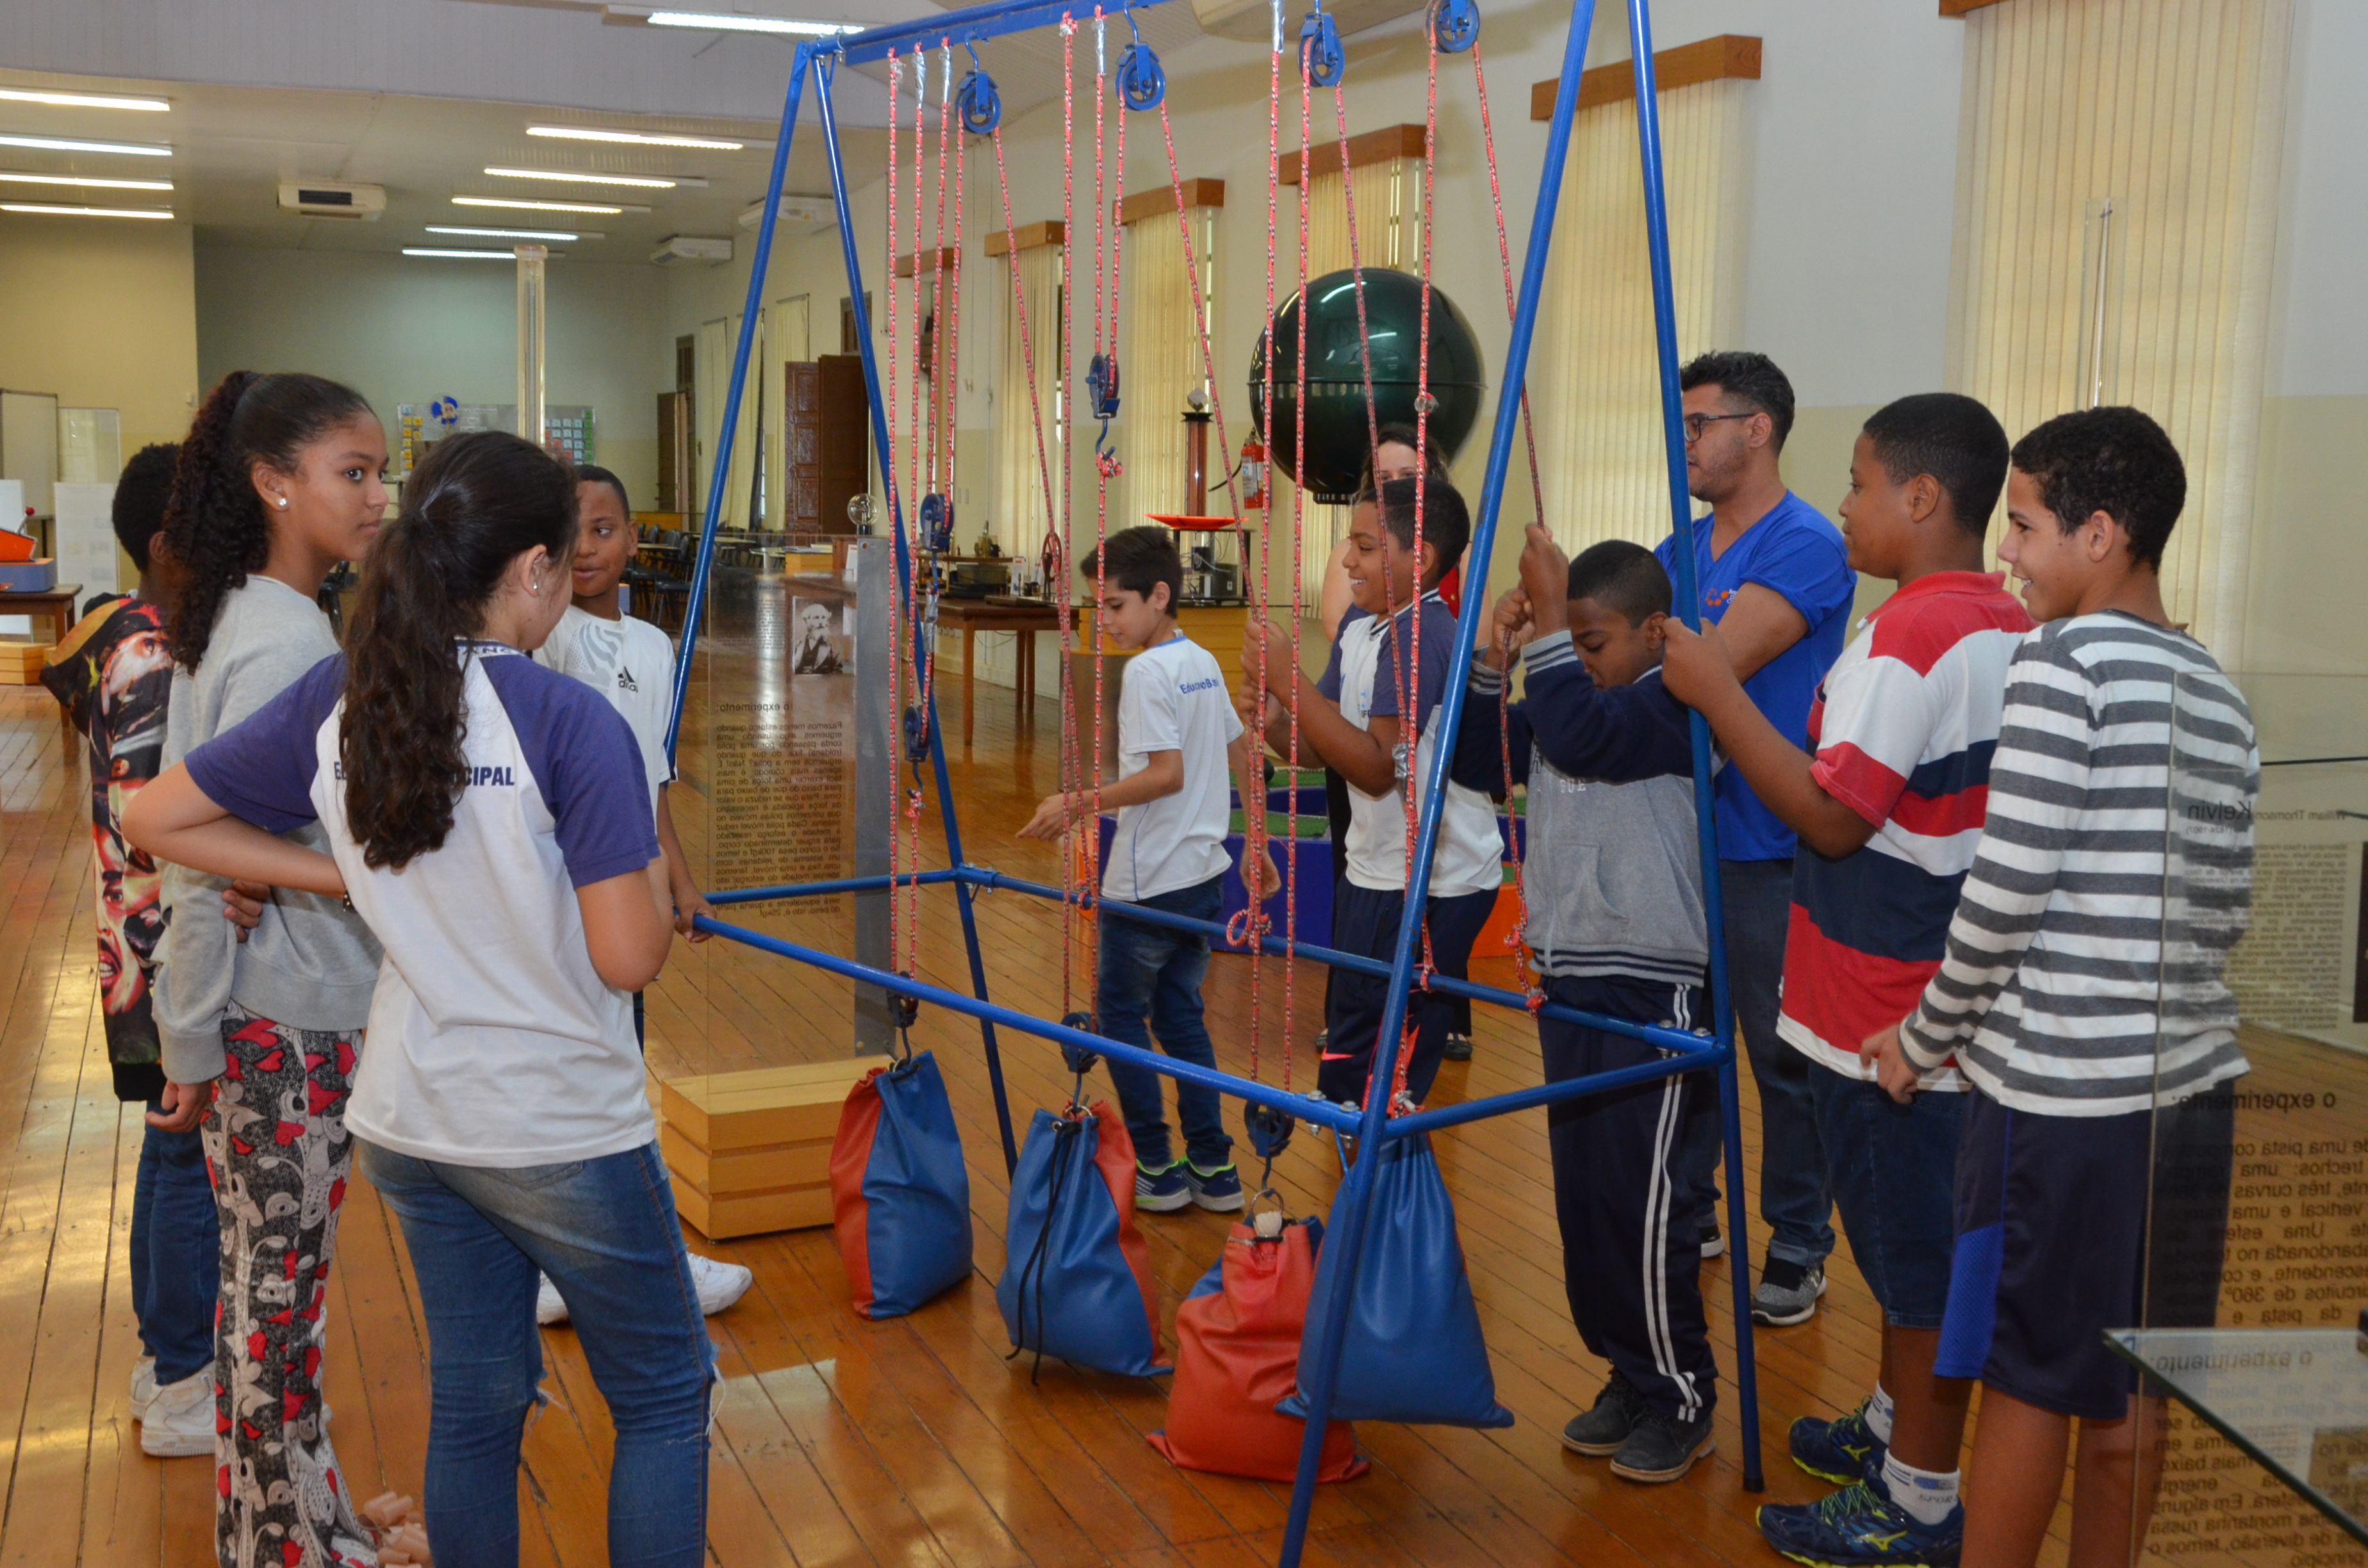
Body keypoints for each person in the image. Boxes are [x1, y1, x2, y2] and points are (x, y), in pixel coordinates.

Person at [126, 430, 715, 1568]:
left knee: (481, 1396)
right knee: (661, 1393)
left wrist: (334, 871)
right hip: (555, 1122)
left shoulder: (348, 691)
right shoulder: (566, 719)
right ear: (533, 568)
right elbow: (630, 958)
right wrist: (637, 852)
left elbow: (157, 816)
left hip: (411, 1115)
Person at [1864, 407, 2255, 1568]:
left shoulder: (2062, 660)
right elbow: (2223, 913)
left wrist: (1924, 1033)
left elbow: (2004, 891)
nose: (2007, 554)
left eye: (2024, 527)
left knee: (2028, 1379)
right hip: (2190, 1102)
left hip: (2059, 1110)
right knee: (2135, 1383)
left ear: (2098, 533)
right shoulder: (2218, 689)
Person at [1662, 393, 2030, 1564]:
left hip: (1883, 1019)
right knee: (1902, 1243)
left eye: (1862, 482)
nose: (1844, 503)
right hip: (1927, 994)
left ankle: (1916, 1496)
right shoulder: (1998, 617)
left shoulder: (1912, 635)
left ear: (1921, 499)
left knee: (1911, 1265)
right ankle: (1888, 1426)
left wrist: (1719, 699)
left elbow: (1830, 816)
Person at [148, 372, 390, 1561]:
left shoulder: (251, 611)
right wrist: (189, 1035)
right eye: (354, 473)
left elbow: (226, 851)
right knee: (276, 1310)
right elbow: (194, 851)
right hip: (282, 1023)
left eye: (380, 471)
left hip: (265, 1015)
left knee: (271, 1302)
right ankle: (286, 1544)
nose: (377, 497)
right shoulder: (284, 635)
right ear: (273, 482)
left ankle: (294, 1523)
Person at [1451, 528, 1718, 1485]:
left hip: (1655, 988)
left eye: (1597, 641)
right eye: (1579, 641)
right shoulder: (1577, 693)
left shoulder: (1675, 705)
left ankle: (1681, 1390)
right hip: (1574, 985)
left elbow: (1582, 740)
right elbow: (1480, 758)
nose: (1584, 656)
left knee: (1649, 1206)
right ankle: (1630, 1372)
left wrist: (1557, 631)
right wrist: (1497, 660)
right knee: (1589, 1202)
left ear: (1655, 632)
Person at [1659, 350, 1857, 1317]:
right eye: (1679, 422)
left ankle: (1798, 1241)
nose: (1683, 439)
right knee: (1682, 1040)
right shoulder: (1679, 549)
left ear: (1758, 428)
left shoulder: (1807, 544)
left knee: (1782, 1062)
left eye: (1698, 422)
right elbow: (1625, 658)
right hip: (1681, 845)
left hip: (1769, 850)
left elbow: (1705, 669)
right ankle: (1692, 1206)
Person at [41, 443, 226, 1459]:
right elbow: (163, 815)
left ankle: (168, 1364)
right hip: (166, 941)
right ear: (166, 546)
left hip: (136, 937)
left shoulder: (115, 628)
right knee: (185, 1162)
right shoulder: (153, 652)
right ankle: (187, 1372)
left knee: (170, 1154)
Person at [532, 463, 747, 1327]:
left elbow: (653, 782)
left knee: (622, 1067)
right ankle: (568, 1263)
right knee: (574, 1074)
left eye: (605, 528)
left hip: (628, 891)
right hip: (555, 891)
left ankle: (634, 1258)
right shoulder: (543, 635)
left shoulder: (655, 648)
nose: (588, 548)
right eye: (571, 530)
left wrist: (682, 886)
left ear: (631, 536)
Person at [1018, 525, 1276, 1213]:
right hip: (1200, 877)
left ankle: (1158, 1166)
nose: (1102, 621)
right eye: (1095, 607)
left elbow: (1166, 776)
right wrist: (1255, 843)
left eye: (1114, 606)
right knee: (1182, 1018)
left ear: (1159, 596)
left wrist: (1078, 802)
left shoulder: (1146, 674)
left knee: (1120, 1018)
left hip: (1150, 882)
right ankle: (1215, 1168)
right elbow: (1241, 747)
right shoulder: (1200, 661)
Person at [1242, 478, 1498, 1120]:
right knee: (1350, 1028)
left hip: (1436, 881)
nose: (1347, 560)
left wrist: (1288, 682)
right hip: (1374, 866)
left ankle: (1384, 1174)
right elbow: (1324, 743)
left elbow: (1380, 768)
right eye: (1348, 544)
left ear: (1422, 560)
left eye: (1364, 545)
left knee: (1393, 1064)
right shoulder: (1363, 625)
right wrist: (1275, 716)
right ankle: (1345, 1130)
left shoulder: (1424, 636)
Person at [791, 600, 844, 674]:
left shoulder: (834, 644)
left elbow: (838, 671)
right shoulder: (798, 644)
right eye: (816, 618)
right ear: (807, 621)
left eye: (823, 618)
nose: (821, 622)